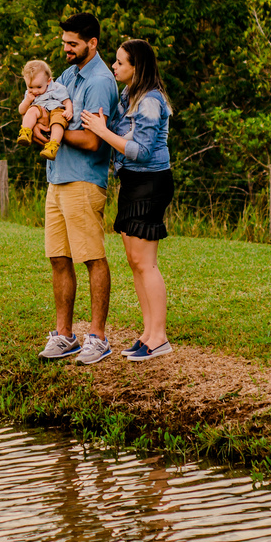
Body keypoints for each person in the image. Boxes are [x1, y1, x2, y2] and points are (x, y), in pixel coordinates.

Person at [80, 38, 174, 361]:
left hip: (150, 181)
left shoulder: (150, 101)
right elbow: (120, 131)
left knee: (145, 263)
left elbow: (142, 151)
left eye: (120, 63)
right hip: (133, 181)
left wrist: (102, 132)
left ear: (137, 67)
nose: (114, 67)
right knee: (135, 261)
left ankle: (159, 336)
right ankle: (148, 334)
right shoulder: (129, 95)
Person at [35, 13, 118, 365]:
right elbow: (53, 111)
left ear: (92, 43)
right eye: (64, 42)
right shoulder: (68, 76)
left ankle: (97, 337)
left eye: (73, 44)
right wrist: (40, 129)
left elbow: (93, 140)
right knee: (58, 257)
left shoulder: (99, 81)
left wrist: (57, 135)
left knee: (91, 257)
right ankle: (65, 335)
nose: (66, 49)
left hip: (83, 181)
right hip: (57, 178)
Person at [16, 59, 75, 161]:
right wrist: (27, 101)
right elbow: (21, 111)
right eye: (30, 87)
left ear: (48, 81)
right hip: (40, 109)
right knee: (31, 110)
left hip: (56, 109)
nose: (35, 91)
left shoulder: (57, 88)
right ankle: (25, 132)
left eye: (39, 87)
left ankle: (52, 146)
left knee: (58, 122)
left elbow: (67, 101)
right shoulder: (29, 94)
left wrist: (69, 110)